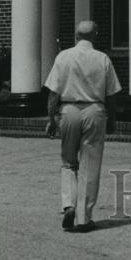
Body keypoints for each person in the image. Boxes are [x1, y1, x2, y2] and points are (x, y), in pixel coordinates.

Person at [44, 20, 121, 232]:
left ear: (76, 35)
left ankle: (69, 204)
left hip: (69, 109)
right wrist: (112, 119)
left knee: (68, 161)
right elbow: (111, 94)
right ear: (95, 35)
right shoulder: (102, 58)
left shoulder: (63, 57)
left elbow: (53, 93)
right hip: (95, 110)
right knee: (90, 163)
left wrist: (51, 119)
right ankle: (84, 217)